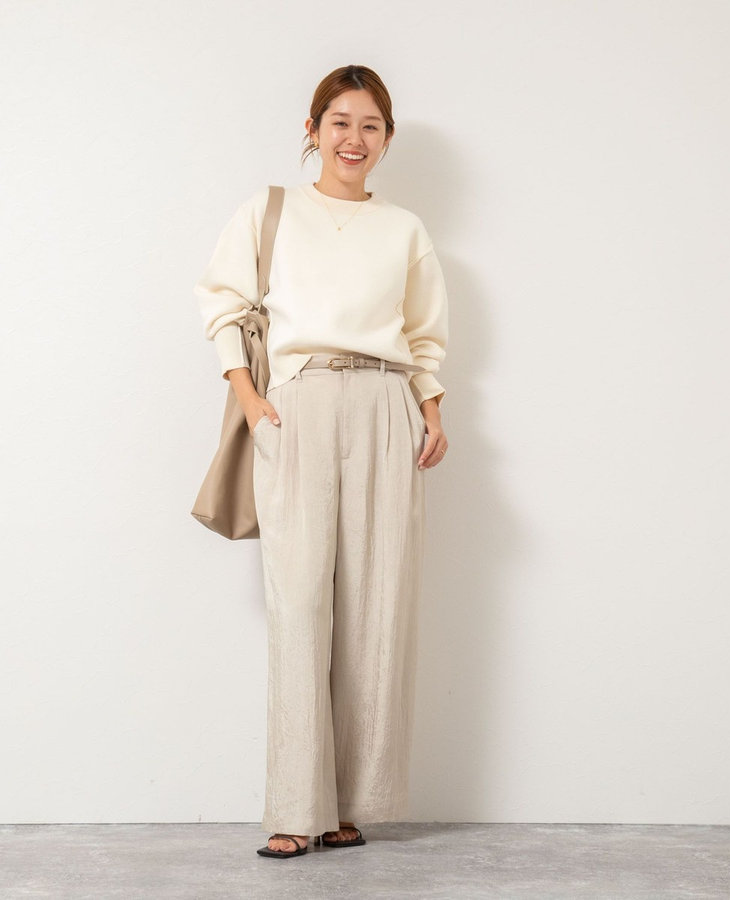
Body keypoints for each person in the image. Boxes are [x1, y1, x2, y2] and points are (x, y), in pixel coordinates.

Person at [194, 64, 449, 859]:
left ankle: (349, 807)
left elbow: (423, 333)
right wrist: (250, 398)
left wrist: (431, 407)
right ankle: (293, 808)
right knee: (300, 604)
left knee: (377, 608)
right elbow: (223, 302)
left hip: (385, 405)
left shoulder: (404, 229)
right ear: (313, 130)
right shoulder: (270, 210)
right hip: (296, 403)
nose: (354, 138)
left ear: (387, 138)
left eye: (370, 125)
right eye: (340, 122)